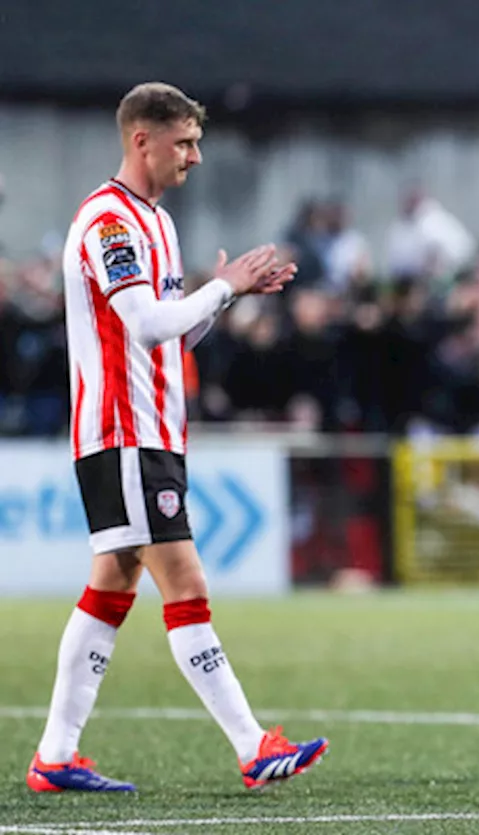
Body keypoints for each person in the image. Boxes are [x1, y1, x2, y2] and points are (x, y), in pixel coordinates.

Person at [28, 82, 327, 793]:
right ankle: (254, 745)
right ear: (142, 139)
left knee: (112, 585)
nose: (194, 157)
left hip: (152, 429)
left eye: (197, 142)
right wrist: (222, 286)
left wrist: (227, 295)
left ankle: (55, 756)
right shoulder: (108, 221)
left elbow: (174, 335)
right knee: (184, 581)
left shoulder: (155, 222)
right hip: (123, 430)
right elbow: (146, 324)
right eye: (184, 142)